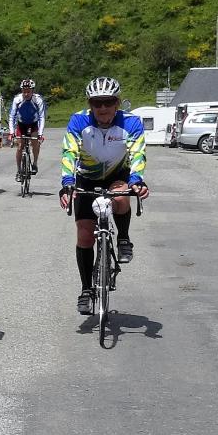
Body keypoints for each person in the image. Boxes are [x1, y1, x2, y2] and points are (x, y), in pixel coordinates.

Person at [59, 76, 149, 315]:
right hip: (86, 177)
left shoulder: (130, 122)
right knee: (85, 235)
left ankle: (123, 239)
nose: (102, 108)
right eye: (96, 103)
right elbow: (69, 152)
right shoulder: (79, 121)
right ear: (90, 105)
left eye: (108, 102)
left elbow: (138, 154)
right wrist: (67, 182)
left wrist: (136, 181)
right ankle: (86, 289)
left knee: (121, 196)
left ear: (117, 103)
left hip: (117, 175)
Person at [8, 78, 46, 176]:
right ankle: (19, 170)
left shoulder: (38, 99)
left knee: (35, 143)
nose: (26, 94)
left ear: (32, 91)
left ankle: (35, 163)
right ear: (21, 91)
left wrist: (40, 134)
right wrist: (11, 132)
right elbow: (12, 116)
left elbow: (42, 117)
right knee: (20, 146)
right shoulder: (17, 99)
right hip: (21, 124)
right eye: (24, 91)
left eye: (28, 91)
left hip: (33, 124)